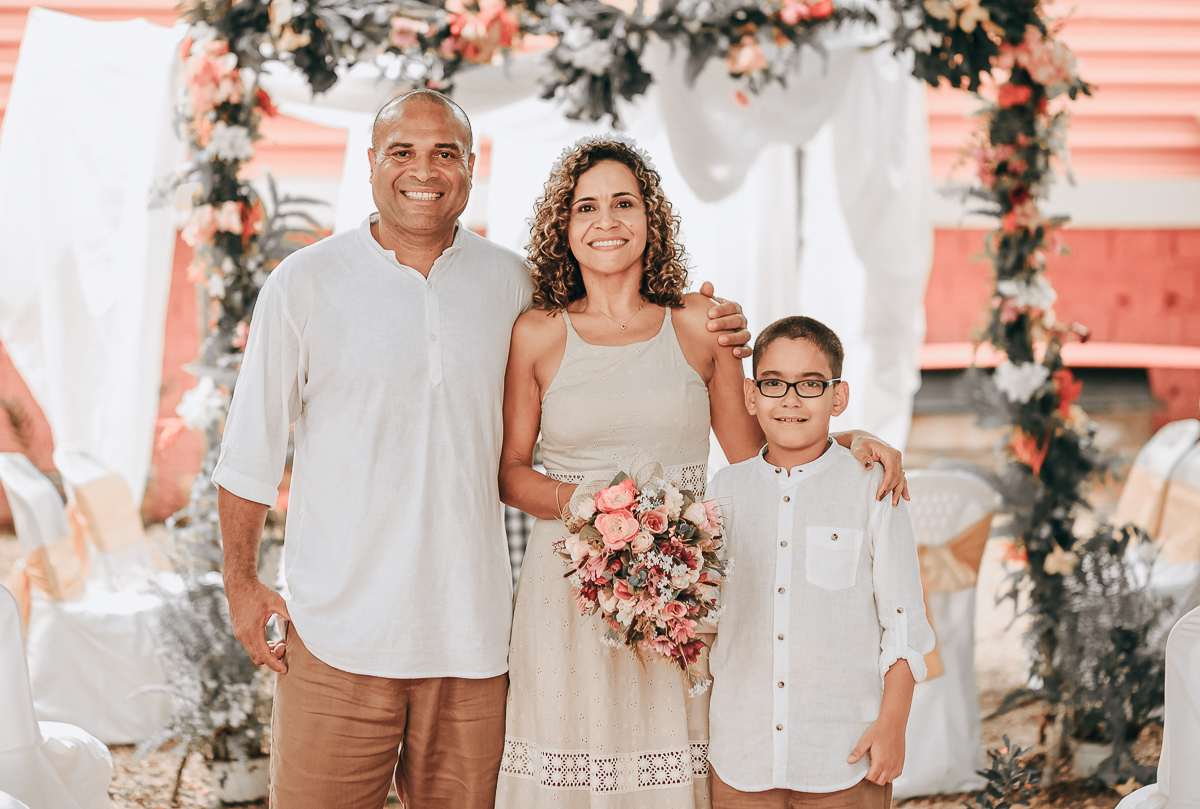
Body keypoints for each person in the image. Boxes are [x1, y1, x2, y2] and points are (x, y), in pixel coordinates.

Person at [212, 91, 752, 809]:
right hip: (338, 635)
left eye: (446, 153)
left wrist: (724, 328)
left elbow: (612, 336)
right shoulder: (305, 284)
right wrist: (241, 584)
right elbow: (250, 448)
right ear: (371, 162)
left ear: (471, 167)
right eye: (401, 151)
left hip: (473, 642)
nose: (423, 169)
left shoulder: (514, 285)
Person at [495, 140, 909, 809]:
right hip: (568, 587)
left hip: (679, 589)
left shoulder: (700, 323)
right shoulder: (537, 333)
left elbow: (758, 458)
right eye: (586, 206)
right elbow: (512, 473)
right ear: (562, 227)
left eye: (624, 202)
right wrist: (594, 512)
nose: (607, 220)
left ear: (650, 219)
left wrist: (848, 438)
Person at [704, 316, 935, 809]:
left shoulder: (872, 487)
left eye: (810, 384)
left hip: (846, 750)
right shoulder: (723, 491)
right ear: (751, 395)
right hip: (741, 751)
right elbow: (711, 617)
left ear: (838, 396)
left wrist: (892, 726)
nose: (790, 399)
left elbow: (903, 626)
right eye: (773, 384)